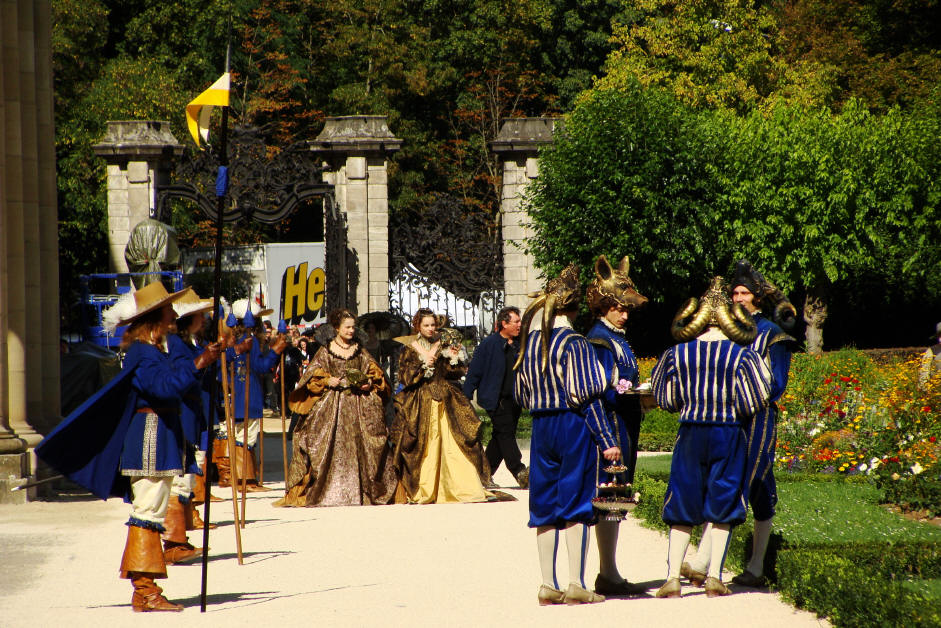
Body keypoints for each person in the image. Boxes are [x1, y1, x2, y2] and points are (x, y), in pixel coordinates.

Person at [36, 281, 221, 612]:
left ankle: (147, 587)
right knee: (147, 510)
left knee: (155, 508)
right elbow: (163, 389)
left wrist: (199, 361)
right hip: (149, 437)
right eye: (167, 311)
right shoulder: (141, 353)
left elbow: (180, 381)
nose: (172, 315)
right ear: (154, 317)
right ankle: (145, 590)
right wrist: (197, 364)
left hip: (165, 435)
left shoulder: (158, 348)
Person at [650, 277, 771, 598]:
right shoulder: (741, 355)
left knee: (682, 499)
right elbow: (756, 398)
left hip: (690, 432)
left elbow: (664, 396)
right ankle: (715, 577)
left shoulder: (679, 353)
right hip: (728, 432)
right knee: (724, 499)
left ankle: (672, 577)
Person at [682, 261, 796, 589]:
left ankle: (710, 562)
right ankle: (751, 566)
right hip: (728, 416)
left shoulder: (772, 334)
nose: (738, 297)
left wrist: (745, 395)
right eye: (735, 292)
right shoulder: (730, 328)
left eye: (744, 292)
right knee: (748, 486)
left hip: (758, 416)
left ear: (757, 298)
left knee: (745, 483)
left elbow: (777, 384)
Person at [514, 264, 620, 606]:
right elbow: (587, 397)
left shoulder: (531, 343)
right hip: (572, 425)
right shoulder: (575, 343)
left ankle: (548, 583)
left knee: (543, 503)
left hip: (540, 427)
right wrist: (607, 440)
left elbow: (520, 393)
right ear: (573, 309)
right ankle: (575, 582)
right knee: (577, 502)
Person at [276, 309, 397, 506]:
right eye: (347, 327)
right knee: (320, 439)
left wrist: (368, 382)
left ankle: (365, 489)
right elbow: (312, 374)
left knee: (369, 440)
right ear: (337, 328)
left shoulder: (360, 349)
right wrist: (327, 379)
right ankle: (330, 488)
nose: (351, 330)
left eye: (352, 327)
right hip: (333, 404)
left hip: (359, 403)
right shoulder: (326, 350)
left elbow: (375, 371)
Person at [584, 254, 649, 596]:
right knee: (610, 498)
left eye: (626, 309)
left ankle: (609, 570)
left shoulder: (616, 336)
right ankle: (607, 572)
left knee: (616, 497)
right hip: (611, 426)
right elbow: (601, 386)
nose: (626, 314)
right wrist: (629, 392)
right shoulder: (599, 338)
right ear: (604, 306)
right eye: (620, 308)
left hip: (623, 422)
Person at [390, 308, 492, 503]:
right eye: (426, 325)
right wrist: (422, 365)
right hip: (420, 401)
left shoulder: (442, 343)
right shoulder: (409, 348)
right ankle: (426, 488)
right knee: (424, 443)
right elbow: (405, 376)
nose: (430, 329)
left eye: (433, 325)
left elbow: (453, 374)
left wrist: (453, 359)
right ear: (418, 326)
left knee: (457, 440)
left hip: (446, 399)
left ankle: (458, 486)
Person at [213, 299, 288, 492]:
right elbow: (260, 366)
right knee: (247, 438)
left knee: (237, 436)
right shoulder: (250, 340)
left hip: (231, 397)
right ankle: (245, 481)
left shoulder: (228, 340)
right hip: (248, 396)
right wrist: (275, 351)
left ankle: (238, 478)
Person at [165, 288, 218, 555]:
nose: (205, 318)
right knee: (179, 478)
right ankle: (174, 541)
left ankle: (181, 533)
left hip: (192, 414)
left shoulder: (186, 344)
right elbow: (179, 380)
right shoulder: (176, 346)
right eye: (200, 315)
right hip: (182, 414)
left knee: (186, 475)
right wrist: (200, 363)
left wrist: (208, 359)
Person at [463, 306, 528, 488]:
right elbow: (475, 371)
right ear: (504, 324)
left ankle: (485, 474)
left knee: (500, 437)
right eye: (516, 322)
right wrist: (465, 396)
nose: (519, 325)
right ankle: (520, 471)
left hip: (514, 399)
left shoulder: (519, 343)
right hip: (495, 400)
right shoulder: (489, 344)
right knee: (506, 433)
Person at [918, 322, 941, 389]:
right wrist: (924, 388)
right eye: (939, 336)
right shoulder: (931, 351)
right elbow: (924, 371)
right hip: (937, 391)